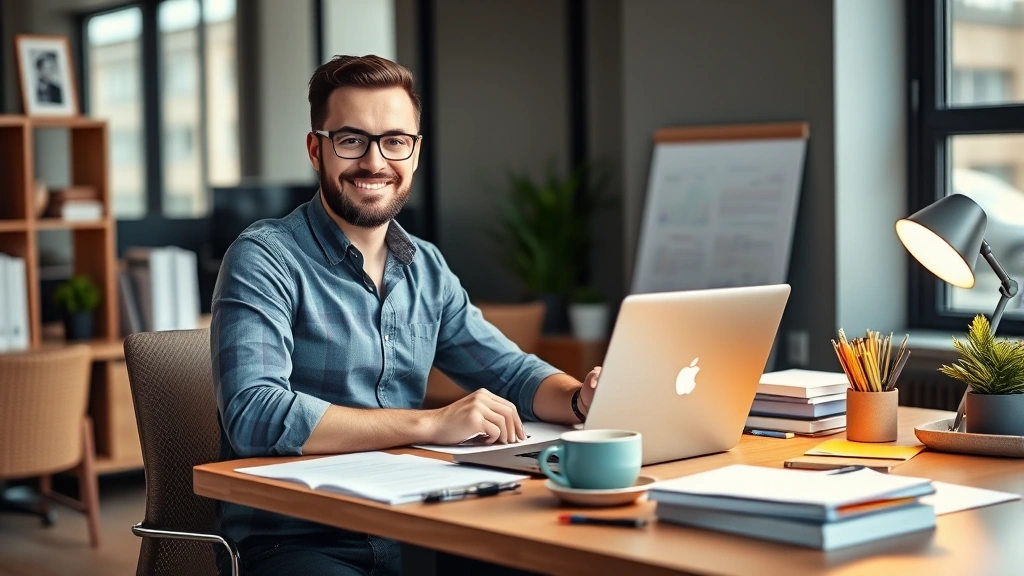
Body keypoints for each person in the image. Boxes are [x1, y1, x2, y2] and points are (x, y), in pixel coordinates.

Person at [211, 54, 600, 576]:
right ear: (316, 150)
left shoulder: (426, 267)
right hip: (300, 540)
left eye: (395, 140)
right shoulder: (264, 257)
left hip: (421, 525)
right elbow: (253, 414)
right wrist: (431, 423)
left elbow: (511, 372)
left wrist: (579, 398)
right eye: (351, 140)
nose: (375, 162)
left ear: (414, 153)